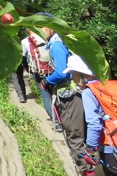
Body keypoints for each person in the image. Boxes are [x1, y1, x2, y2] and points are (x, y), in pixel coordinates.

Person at [64, 54, 117, 176]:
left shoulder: (89, 92)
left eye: (73, 74)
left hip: (114, 149)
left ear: (83, 74)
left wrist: (90, 150)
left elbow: (94, 124)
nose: (72, 79)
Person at [42, 23, 91, 175]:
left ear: (50, 27)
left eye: (41, 28)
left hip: (70, 95)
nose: (40, 32)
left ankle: (86, 171)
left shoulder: (56, 45)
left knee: (75, 136)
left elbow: (62, 73)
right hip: (80, 92)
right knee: (82, 134)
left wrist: (47, 81)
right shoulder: (62, 41)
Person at [22, 27, 58, 130]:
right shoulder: (47, 37)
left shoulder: (25, 41)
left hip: (38, 72)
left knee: (46, 96)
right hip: (53, 70)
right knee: (56, 94)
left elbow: (24, 58)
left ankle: (55, 121)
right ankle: (62, 117)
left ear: (27, 30)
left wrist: (29, 69)